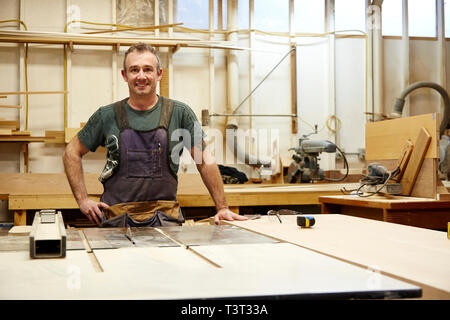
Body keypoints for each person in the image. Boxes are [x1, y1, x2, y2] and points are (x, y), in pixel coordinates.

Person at [63, 42, 247, 227]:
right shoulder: (107, 115)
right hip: (116, 221)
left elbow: (205, 161)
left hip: (165, 220)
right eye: (134, 70)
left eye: (148, 69)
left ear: (159, 74)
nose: (141, 76)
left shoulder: (179, 113)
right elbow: (71, 152)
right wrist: (83, 200)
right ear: (124, 75)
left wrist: (222, 207)